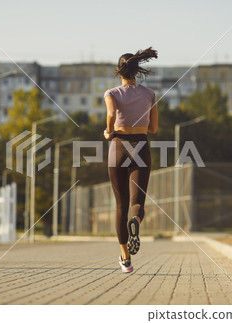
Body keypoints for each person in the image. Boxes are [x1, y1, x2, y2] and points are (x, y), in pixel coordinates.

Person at [103, 47, 158, 273]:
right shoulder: (149, 94)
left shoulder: (111, 93)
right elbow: (153, 128)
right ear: (138, 71)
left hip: (118, 146)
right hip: (141, 146)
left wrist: (108, 131)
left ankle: (125, 258)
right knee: (137, 203)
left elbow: (111, 115)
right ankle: (135, 220)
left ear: (119, 70)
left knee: (120, 204)